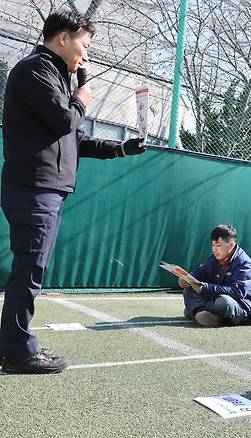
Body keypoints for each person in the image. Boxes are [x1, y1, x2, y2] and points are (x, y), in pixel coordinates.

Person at [0, 11, 146, 374]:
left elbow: (74, 137)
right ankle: (18, 350)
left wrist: (121, 148)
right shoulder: (35, 70)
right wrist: (81, 97)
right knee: (29, 269)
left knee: (31, 267)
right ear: (63, 38)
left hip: (46, 190)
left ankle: (15, 342)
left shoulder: (53, 77)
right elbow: (66, 119)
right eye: (84, 44)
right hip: (34, 188)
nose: (86, 54)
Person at [181, 224, 251, 328]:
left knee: (223, 301)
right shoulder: (215, 258)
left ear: (231, 244)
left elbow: (237, 292)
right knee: (188, 290)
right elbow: (202, 271)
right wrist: (187, 278)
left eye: (218, 245)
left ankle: (196, 310)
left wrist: (206, 288)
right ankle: (203, 313)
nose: (214, 249)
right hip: (217, 298)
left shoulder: (244, 263)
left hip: (244, 307)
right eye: (213, 245)